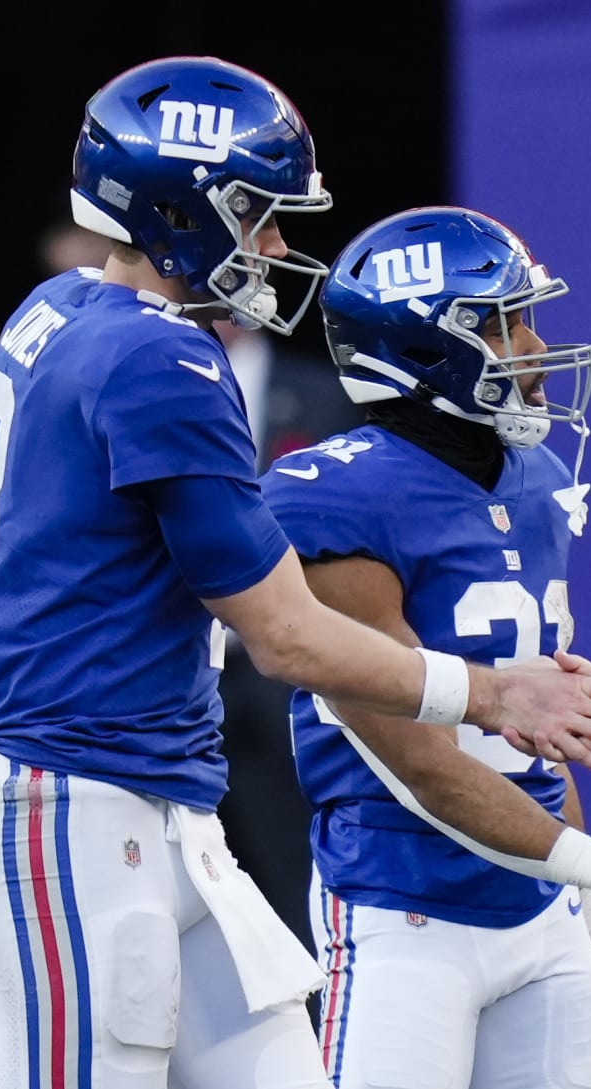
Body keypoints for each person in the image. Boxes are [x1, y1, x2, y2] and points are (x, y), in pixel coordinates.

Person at [0, 56, 591, 1089]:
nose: (277, 244)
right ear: (178, 209)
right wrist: (492, 691)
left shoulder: (56, 310)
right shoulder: (162, 361)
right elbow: (288, 637)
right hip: (75, 816)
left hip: (163, 812)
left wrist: (54, 696)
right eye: (256, 214)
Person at [264, 206, 591, 1086]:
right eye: (503, 321)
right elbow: (422, 763)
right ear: (423, 347)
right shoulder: (338, 497)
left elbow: (541, 742)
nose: (532, 343)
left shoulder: (539, 475)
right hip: (402, 907)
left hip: (542, 905)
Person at [212, 313, 366, 941]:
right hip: (172, 680)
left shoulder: (327, 395)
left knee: (299, 890)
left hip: (291, 690)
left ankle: (318, 1033)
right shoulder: (138, 386)